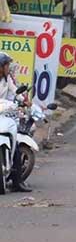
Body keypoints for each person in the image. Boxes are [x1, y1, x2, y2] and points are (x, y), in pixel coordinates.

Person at [0, 53, 31, 192]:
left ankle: (17, 181)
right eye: (6, 65)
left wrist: (24, 100)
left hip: (4, 114)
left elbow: (15, 91)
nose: (8, 68)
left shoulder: (7, 79)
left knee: (16, 145)